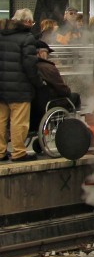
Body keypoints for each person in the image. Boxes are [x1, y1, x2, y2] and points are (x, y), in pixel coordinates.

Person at [0, 9, 41, 161]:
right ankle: (18, 152)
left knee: (1, 120)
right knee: (19, 121)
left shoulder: (1, 34)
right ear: (28, 22)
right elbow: (30, 65)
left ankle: (0, 151)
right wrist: (38, 83)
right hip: (19, 87)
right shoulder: (27, 37)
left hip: (1, 86)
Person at [31, 41, 80, 148]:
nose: (48, 55)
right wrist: (68, 91)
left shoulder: (29, 67)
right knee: (74, 97)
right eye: (46, 53)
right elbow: (62, 90)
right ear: (40, 53)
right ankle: (65, 128)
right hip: (49, 103)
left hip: (34, 105)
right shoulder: (47, 67)